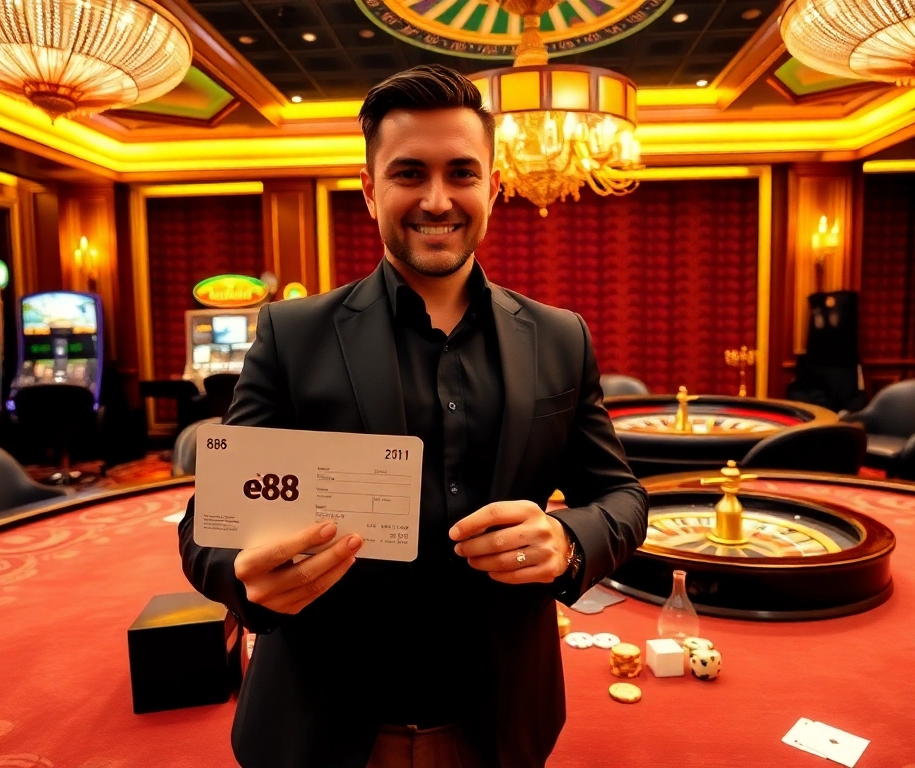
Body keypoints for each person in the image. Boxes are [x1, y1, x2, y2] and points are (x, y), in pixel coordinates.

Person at [179, 64, 648, 768]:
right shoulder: (292, 334)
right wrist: (245, 577)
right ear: (370, 191)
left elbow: (623, 498)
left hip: (500, 724)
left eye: (461, 173)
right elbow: (207, 527)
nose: (437, 200)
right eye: (408, 174)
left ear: (493, 187)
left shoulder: (560, 337)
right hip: (323, 728)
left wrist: (568, 539)